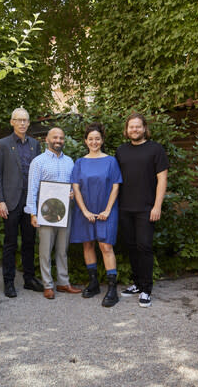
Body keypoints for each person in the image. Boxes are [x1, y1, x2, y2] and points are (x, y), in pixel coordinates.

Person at [116, 113, 169, 308]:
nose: (134, 130)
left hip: (146, 208)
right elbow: (115, 180)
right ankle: (137, 284)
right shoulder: (121, 151)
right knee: (131, 246)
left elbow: (162, 179)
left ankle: (147, 289)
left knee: (144, 246)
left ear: (144, 128)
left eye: (138, 126)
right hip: (125, 207)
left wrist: (157, 206)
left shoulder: (156, 149)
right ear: (127, 129)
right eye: (131, 127)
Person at [0, 107, 43, 298]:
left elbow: (38, 173)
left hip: (29, 202)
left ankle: (29, 279)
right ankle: (9, 282)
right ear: (12, 122)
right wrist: (0, 201)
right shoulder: (2, 144)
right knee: (10, 243)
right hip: (11, 202)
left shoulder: (35, 145)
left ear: (29, 123)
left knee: (29, 242)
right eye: (19, 120)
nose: (22, 123)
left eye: (25, 120)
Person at [25, 127, 82, 299]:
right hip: (45, 213)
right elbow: (32, 189)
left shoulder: (70, 162)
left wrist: (72, 193)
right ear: (47, 140)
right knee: (45, 250)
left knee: (62, 249)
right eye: (55, 137)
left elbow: (73, 185)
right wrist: (32, 214)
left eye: (61, 138)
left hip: (65, 212)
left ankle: (63, 283)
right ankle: (48, 285)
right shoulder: (38, 162)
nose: (58, 140)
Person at [70, 123, 122, 307]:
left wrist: (107, 210)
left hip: (106, 210)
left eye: (97, 139)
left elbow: (116, 186)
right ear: (86, 141)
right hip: (84, 210)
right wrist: (84, 211)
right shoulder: (80, 162)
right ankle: (93, 283)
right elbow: (75, 187)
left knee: (105, 246)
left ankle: (112, 289)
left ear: (102, 140)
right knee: (88, 244)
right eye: (90, 139)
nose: (94, 142)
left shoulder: (111, 161)